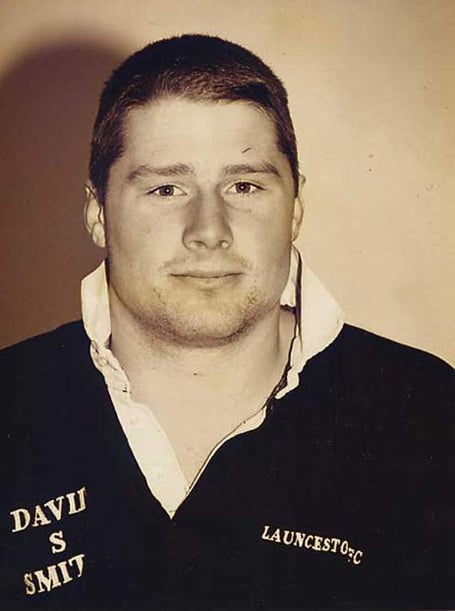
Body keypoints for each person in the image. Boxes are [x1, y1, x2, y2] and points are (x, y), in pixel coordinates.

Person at [0, 34, 453, 611]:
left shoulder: (430, 417)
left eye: (244, 186)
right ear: (98, 212)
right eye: (167, 188)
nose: (209, 230)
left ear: (294, 207)